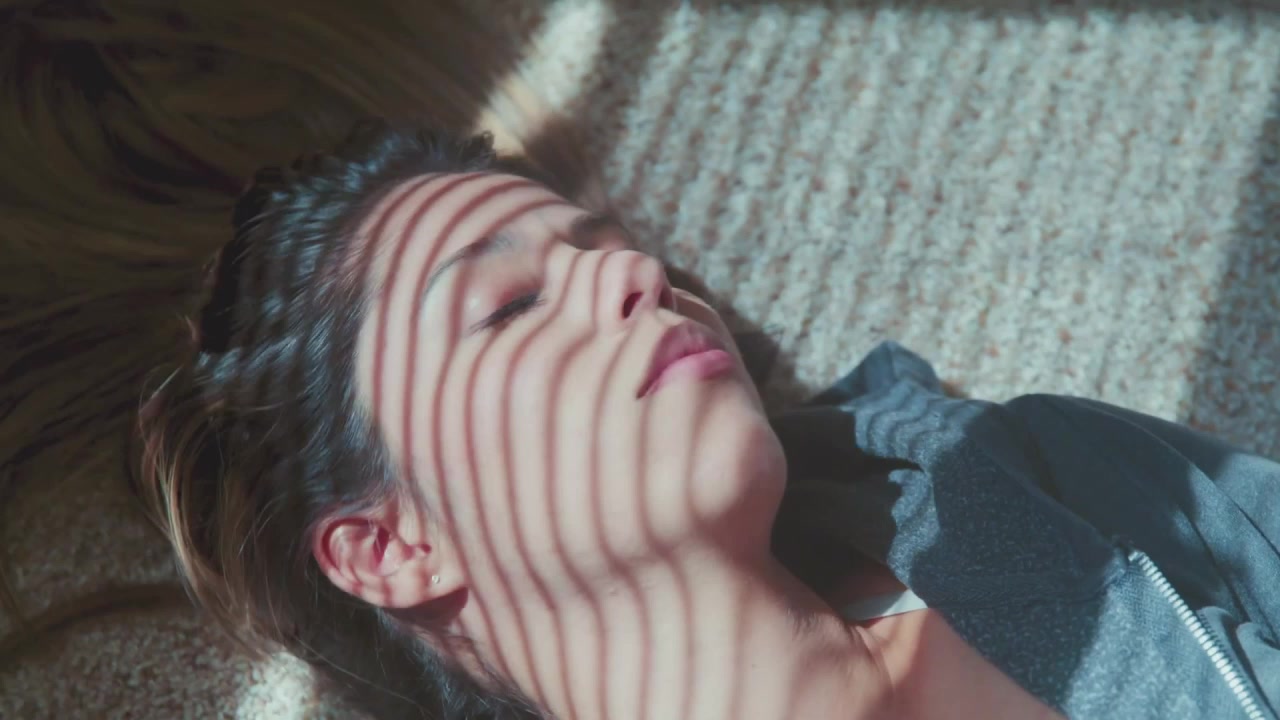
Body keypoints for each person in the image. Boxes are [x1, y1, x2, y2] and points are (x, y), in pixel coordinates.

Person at [134, 120, 1280, 720]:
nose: (633, 275)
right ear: (389, 546)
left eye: (611, 248)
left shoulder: (1033, 480)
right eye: (509, 305)